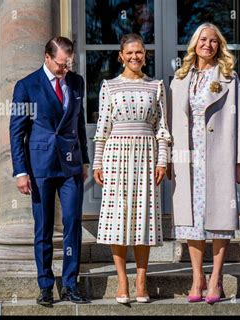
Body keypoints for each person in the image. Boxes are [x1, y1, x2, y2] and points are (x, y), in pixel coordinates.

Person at [169, 23, 240, 304]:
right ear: (195, 43)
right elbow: (170, 123)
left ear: (219, 46)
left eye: (214, 41)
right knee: (191, 219)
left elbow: (239, 123)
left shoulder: (229, 77)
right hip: (187, 156)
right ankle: (196, 277)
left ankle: (215, 278)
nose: (208, 45)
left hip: (218, 153)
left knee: (219, 218)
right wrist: (169, 158)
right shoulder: (179, 79)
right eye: (203, 39)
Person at [10, 36, 90, 307]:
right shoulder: (26, 86)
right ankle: (45, 285)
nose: (65, 69)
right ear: (47, 57)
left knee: (72, 225)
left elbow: (79, 124)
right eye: (60, 64)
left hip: (71, 167)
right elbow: (16, 132)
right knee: (43, 228)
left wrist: (85, 161)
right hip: (39, 168)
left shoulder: (76, 82)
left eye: (68, 64)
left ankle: (70, 284)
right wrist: (20, 171)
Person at [92, 33, 171, 304]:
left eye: (139, 52)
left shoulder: (157, 86)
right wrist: (98, 162)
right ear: (121, 56)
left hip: (147, 155)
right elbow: (102, 127)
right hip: (116, 154)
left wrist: (163, 160)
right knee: (118, 218)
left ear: (145, 55)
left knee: (143, 216)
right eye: (130, 53)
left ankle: (141, 279)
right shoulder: (109, 86)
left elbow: (162, 128)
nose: (135, 57)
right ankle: (122, 280)